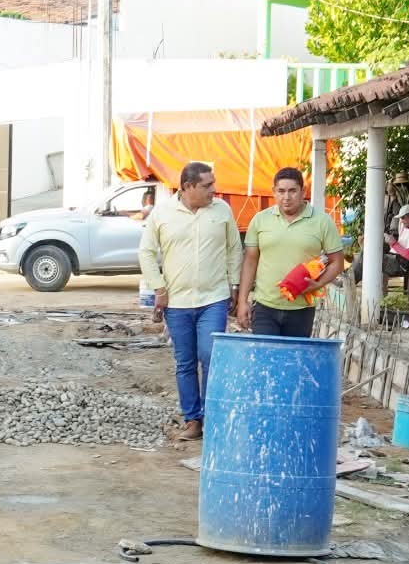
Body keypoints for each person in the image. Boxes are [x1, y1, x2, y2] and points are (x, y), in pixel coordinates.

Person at [139, 161, 240, 440]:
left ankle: (212, 417)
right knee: (185, 362)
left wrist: (234, 284)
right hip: (177, 302)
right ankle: (192, 420)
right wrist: (159, 288)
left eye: (213, 183)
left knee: (210, 356)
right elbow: (146, 252)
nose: (213, 190)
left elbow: (234, 248)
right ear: (187, 187)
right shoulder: (162, 213)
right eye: (207, 185)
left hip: (214, 298)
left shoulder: (222, 211)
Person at [236, 167, 346, 337]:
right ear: (274, 192)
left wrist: (318, 284)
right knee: (266, 360)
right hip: (265, 306)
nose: (286, 197)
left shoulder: (322, 221)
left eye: (292, 191)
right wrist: (242, 301)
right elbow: (250, 261)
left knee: (294, 360)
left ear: (303, 192)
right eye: (281, 191)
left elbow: (337, 262)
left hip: (301, 308)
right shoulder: (260, 220)